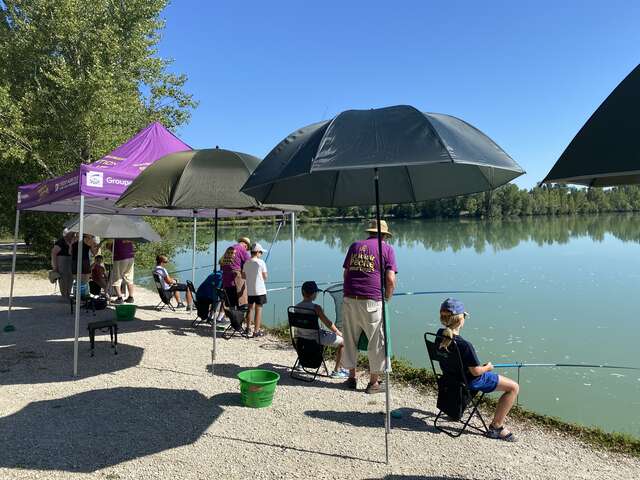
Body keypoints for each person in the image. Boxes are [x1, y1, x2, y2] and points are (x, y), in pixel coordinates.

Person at [437, 298, 519, 442]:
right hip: (470, 380)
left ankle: (453, 412)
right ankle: (496, 427)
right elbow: (476, 372)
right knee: (513, 387)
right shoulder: (464, 345)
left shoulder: (439, 335)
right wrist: (488, 367)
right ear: (461, 319)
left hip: (450, 378)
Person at [341, 219, 397, 394]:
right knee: (376, 341)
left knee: (350, 339)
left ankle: (351, 378)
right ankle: (373, 383)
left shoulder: (355, 245)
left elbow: (346, 273)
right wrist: (387, 298)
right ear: (385, 236)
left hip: (349, 298)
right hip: (372, 300)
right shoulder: (387, 249)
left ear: (370, 232)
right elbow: (390, 280)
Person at [294, 281, 347, 378]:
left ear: (303, 292)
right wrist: (339, 333)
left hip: (301, 339)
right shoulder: (316, 308)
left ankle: (301, 363)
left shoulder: (296, 307)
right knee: (343, 342)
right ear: (314, 294)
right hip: (316, 338)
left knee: (304, 337)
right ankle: (336, 371)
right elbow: (328, 323)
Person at [242, 243, 268, 337]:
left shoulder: (246, 263)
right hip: (260, 291)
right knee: (258, 310)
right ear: (257, 252)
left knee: (249, 309)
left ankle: (248, 328)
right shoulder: (261, 262)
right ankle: (256, 331)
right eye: (261, 252)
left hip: (250, 290)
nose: (261, 254)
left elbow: (243, 276)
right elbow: (265, 277)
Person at [219, 236, 251, 307]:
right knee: (241, 304)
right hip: (236, 280)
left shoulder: (229, 248)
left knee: (231, 304)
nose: (246, 250)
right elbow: (249, 264)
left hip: (226, 280)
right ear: (245, 245)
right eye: (247, 248)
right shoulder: (242, 249)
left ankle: (232, 317)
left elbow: (221, 263)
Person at [51, 229, 75, 298]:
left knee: (70, 278)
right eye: (72, 234)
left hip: (70, 261)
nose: (73, 235)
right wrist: (55, 266)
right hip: (62, 262)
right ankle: (64, 295)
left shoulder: (72, 241)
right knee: (63, 279)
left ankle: (68, 294)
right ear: (66, 234)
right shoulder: (60, 242)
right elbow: (53, 253)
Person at [111, 239, 136, 304]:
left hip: (120, 257)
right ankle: (131, 297)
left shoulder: (117, 234)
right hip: (130, 256)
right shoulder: (129, 233)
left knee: (117, 278)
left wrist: (109, 246)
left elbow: (112, 248)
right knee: (129, 278)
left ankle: (119, 298)